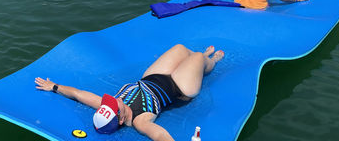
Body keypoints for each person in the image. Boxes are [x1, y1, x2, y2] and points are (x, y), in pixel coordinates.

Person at [35, 44, 224, 140]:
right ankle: (210, 61)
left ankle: (198, 62)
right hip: (180, 87)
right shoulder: (140, 121)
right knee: (198, 57)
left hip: (152, 76)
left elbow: (78, 94)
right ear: (119, 118)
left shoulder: (107, 108)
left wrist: (55, 87)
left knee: (181, 48)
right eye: (113, 104)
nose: (110, 100)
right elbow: (160, 136)